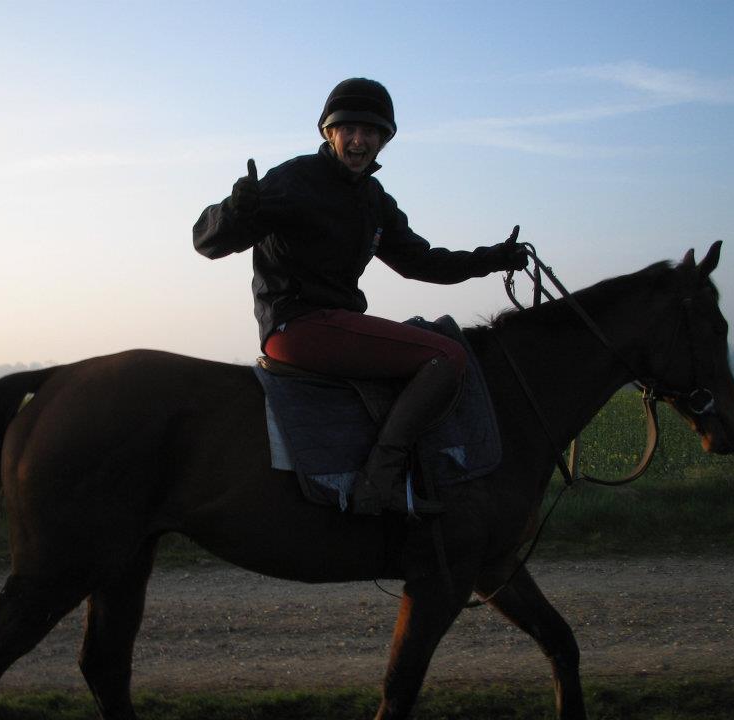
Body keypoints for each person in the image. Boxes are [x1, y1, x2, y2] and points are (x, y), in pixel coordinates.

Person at [193, 77, 526, 515]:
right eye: (348, 128)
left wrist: (492, 258)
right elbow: (208, 241)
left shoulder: (373, 200)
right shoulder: (293, 180)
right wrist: (234, 211)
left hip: (335, 323)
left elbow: (421, 263)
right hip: (297, 324)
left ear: (383, 140)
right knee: (444, 357)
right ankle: (379, 483)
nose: (358, 139)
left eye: (371, 132)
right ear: (328, 133)